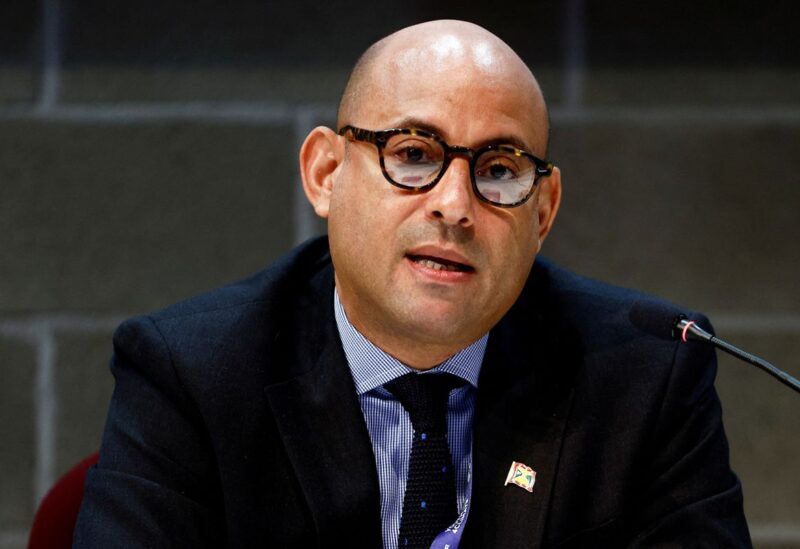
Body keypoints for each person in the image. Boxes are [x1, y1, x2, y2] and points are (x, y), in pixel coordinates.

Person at [74, 20, 752, 548]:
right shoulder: (194, 372)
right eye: (413, 155)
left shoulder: (647, 375)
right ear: (325, 173)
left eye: (498, 169)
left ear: (542, 212)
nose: (455, 205)